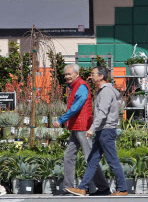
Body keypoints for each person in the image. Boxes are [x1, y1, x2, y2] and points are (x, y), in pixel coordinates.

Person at [66, 66, 128, 196]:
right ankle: (83, 188)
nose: (91, 76)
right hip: (102, 130)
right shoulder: (102, 91)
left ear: (101, 76)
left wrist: (91, 128)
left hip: (106, 130)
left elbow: (102, 113)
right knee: (93, 160)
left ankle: (122, 189)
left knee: (112, 160)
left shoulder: (106, 92)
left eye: (93, 74)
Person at [53, 64, 109, 196]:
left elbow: (76, 107)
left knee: (90, 158)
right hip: (76, 127)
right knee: (69, 156)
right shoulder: (73, 86)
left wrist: (61, 120)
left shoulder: (82, 86)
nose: (67, 76)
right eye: (65, 74)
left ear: (77, 74)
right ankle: (68, 187)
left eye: (69, 74)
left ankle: (103, 188)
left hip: (83, 127)